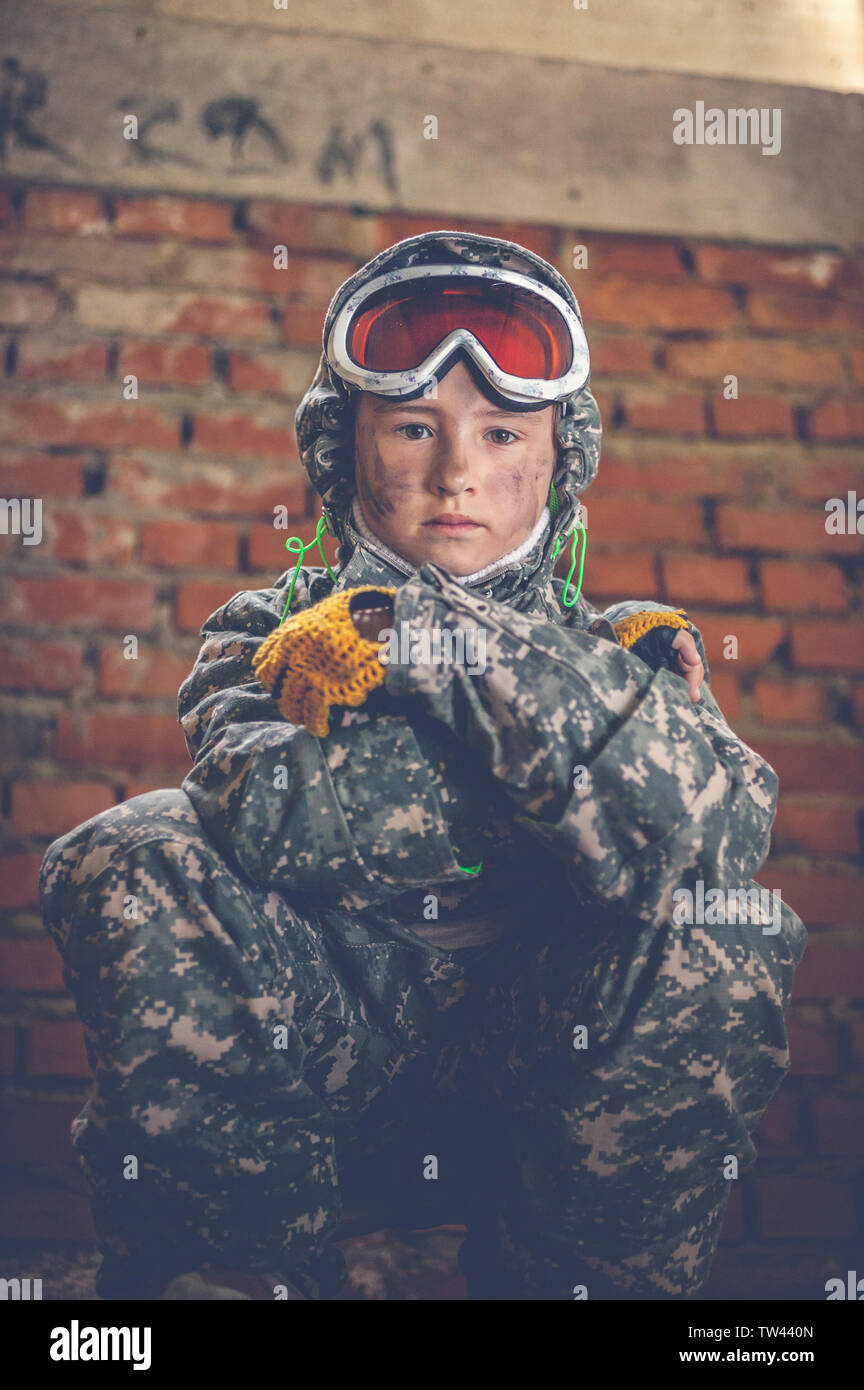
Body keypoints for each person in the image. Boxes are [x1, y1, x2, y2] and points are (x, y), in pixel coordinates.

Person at [38, 229, 807, 1301]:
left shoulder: (627, 648)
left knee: (729, 920)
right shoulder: (272, 633)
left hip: (551, 1077)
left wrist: (437, 641)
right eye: (413, 426)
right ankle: (233, 1280)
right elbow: (286, 819)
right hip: (313, 1054)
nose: (457, 474)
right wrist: (569, 787)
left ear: (559, 456)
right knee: (132, 847)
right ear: (340, 448)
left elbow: (707, 837)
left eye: (501, 432)